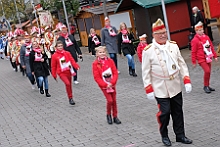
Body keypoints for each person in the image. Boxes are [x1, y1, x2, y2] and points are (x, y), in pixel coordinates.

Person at [142, 18, 193, 146]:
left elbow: (181, 64)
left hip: (175, 85)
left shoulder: (173, 46)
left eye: (164, 32)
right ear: (154, 35)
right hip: (160, 88)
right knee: (164, 113)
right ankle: (164, 135)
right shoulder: (148, 51)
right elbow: (145, 72)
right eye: (160, 33)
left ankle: (180, 135)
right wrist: (148, 89)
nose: (163, 35)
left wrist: (186, 80)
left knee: (178, 111)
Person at [92, 46, 121, 125]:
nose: (102, 54)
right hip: (104, 85)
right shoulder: (95, 64)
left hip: (112, 84)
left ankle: (115, 116)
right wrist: (105, 84)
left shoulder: (110, 61)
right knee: (110, 100)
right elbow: (96, 77)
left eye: (103, 52)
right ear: (97, 54)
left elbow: (115, 72)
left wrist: (112, 82)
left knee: (114, 100)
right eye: (100, 52)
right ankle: (108, 114)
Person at [191, 21, 218, 94]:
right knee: (207, 71)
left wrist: (215, 56)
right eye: (199, 30)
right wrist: (193, 61)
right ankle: (205, 86)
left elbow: (211, 47)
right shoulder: (195, 40)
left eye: (202, 30)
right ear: (196, 31)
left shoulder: (206, 37)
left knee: (209, 72)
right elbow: (193, 51)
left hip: (208, 57)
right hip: (201, 58)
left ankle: (207, 85)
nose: (201, 31)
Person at [51, 41, 80, 105]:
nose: (60, 47)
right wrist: (54, 74)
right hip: (61, 72)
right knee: (67, 83)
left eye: (61, 46)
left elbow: (72, 60)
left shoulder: (67, 53)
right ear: (56, 47)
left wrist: (76, 66)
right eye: (59, 46)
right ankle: (70, 97)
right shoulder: (54, 56)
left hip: (68, 71)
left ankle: (70, 98)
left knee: (69, 85)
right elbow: (53, 66)